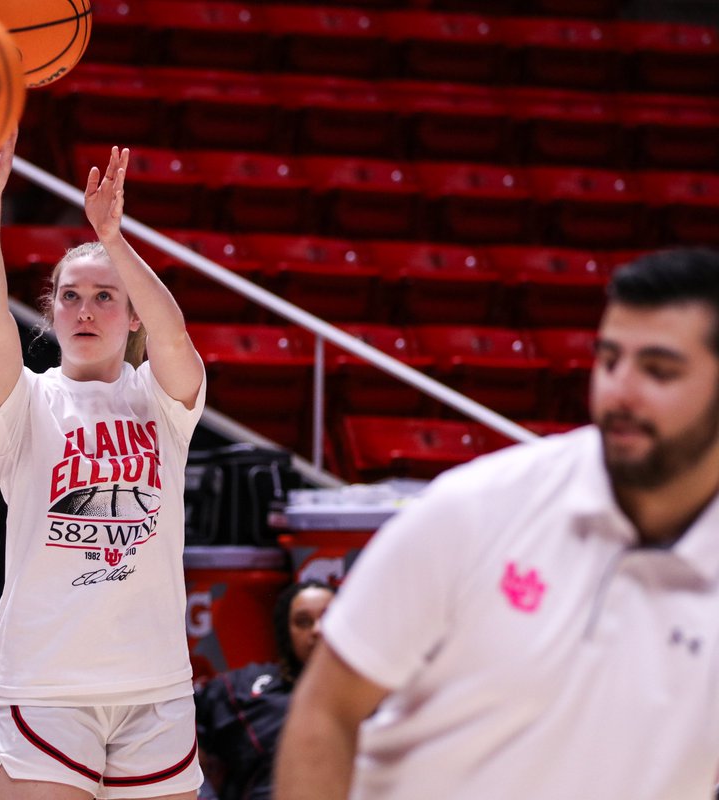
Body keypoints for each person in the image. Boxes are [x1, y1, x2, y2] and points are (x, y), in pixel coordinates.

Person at [274, 246, 719, 800]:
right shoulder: (476, 509)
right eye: (609, 360)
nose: (619, 391)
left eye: (658, 370)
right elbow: (326, 709)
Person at [0, 131, 207, 800]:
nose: (86, 309)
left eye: (106, 296)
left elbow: (176, 334)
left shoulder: (160, 400)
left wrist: (113, 237)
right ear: (51, 309)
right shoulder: (28, 404)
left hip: (155, 686)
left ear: (131, 316)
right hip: (46, 688)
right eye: (70, 295)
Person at [195, 581, 335, 800]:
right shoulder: (243, 689)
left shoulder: (377, 693)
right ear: (285, 632)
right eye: (303, 622)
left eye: (329, 618)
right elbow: (176, 726)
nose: (318, 629)